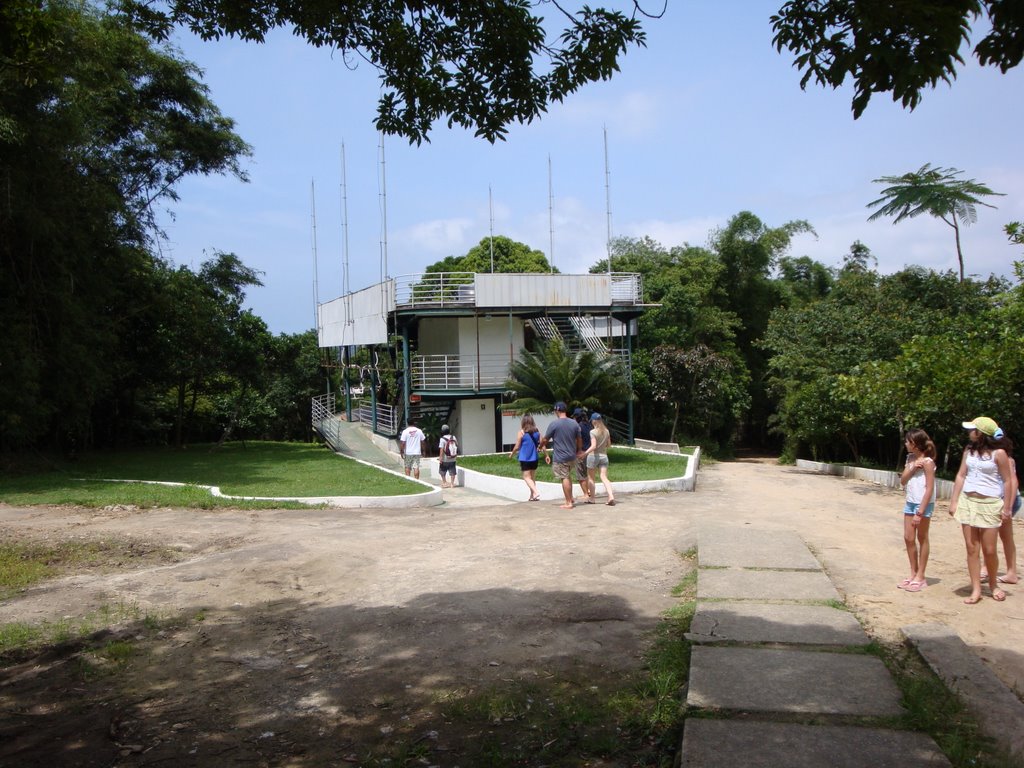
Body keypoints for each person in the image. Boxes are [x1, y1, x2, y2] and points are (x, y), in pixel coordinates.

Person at [948, 416, 1015, 604]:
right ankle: (976, 588)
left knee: (990, 549)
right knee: (971, 548)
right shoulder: (968, 451)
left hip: (990, 504)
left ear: (981, 433)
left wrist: (1007, 507)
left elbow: (1008, 480)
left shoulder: (999, 454)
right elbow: (961, 475)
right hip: (969, 501)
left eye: (973, 429)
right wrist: (954, 501)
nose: (969, 433)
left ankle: (993, 584)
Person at [897, 429, 936, 592]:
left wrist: (920, 512)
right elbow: (903, 480)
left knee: (922, 537)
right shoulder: (910, 459)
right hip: (910, 502)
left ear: (915, 443)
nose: (905, 443)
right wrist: (912, 467)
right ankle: (913, 572)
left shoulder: (928, 462)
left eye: (908, 441)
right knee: (908, 537)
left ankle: (921, 575)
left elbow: (929, 488)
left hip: (923, 504)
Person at [982, 434, 1019, 584]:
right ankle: (990, 568)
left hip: (1005, 500)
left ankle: (1010, 572)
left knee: (1000, 535)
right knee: (994, 535)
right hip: (999, 500)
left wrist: (1007, 507)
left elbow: (1013, 482)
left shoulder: (1006, 459)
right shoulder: (992, 458)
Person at [540, 401, 582, 509]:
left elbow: (545, 439)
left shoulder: (554, 424)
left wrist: (540, 446)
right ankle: (571, 498)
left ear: (557, 410)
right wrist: (579, 450)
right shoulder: (574, 423)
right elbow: (579, 439)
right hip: (572, 456)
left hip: (560, 457)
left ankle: (568, 502)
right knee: (567, 476)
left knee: (564, 477)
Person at [584, 412, 616, 506]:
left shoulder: (592, 432)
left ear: (594, 421)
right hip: (604, 456)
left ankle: (592, 498)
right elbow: (609, 445)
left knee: (591, 478)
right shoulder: (606, 431)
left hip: (593, 456)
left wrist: (585, 453)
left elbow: (593, 446)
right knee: (604, 477)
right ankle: (610, 496)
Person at [509, 414, 542, 501]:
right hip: (535, 457)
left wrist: (512, 454)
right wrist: (546, 454)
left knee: (526, 477)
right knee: (532, 477)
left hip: (525, 458)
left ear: (523, 422)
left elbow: (517, 446)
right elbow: (542, 443)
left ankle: (536, 492)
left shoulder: (521, 432)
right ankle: (532, 496)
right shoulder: (537, 431)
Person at [573, 407, 595, 503]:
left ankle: (586, 494)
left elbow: (577, 440)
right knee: (588, 475)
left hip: (581, 453)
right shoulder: (590, 426)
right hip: (591, 453)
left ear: (577, 417)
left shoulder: (578, 427)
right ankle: (589, 491)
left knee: (581, 475)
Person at [437, 424, 459, 488]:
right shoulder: (453, 437)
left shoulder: (442, 439)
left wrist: (440, 458)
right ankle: (452, 484)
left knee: (442, 471)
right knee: (452, 471)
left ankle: (444, 482)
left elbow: (441, 449)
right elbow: (456, 445)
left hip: (445, 459)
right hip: (453, 458)